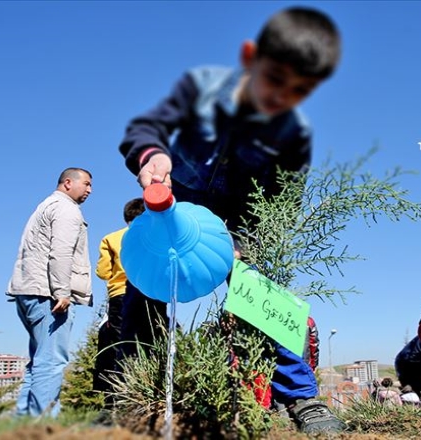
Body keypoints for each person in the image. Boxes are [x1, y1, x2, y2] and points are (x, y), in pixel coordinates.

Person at [117, 6, 343, 434]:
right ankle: (134, 399)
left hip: (234, 232)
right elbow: (145, 128)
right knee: (142, 293)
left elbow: (281, 205)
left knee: (263, 299)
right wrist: (152, 155)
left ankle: (302, 399)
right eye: (275, 79)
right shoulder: (200, 88)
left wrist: (247, 242)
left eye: (298, 91)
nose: (280, 97)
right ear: (249, 56)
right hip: (174, 212)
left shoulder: (293, 137)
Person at [6, 168, 94, 418]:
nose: (90, 190)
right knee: (51, 362)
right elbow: (61, 253)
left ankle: (23, 423)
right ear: (68, 183)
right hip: (48, 296)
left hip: (27, 291)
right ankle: (42, 426)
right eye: (86, 184)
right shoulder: (67, 210)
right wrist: (62, 292)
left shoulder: (44, 206)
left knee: (38, 363)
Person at [92, 197, 145, 409]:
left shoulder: (110, 239)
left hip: (119, 295)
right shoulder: (149, 237)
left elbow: (103, 272)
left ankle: (115, 400)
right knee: (146, 343)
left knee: (118, 346)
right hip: (147, 293)